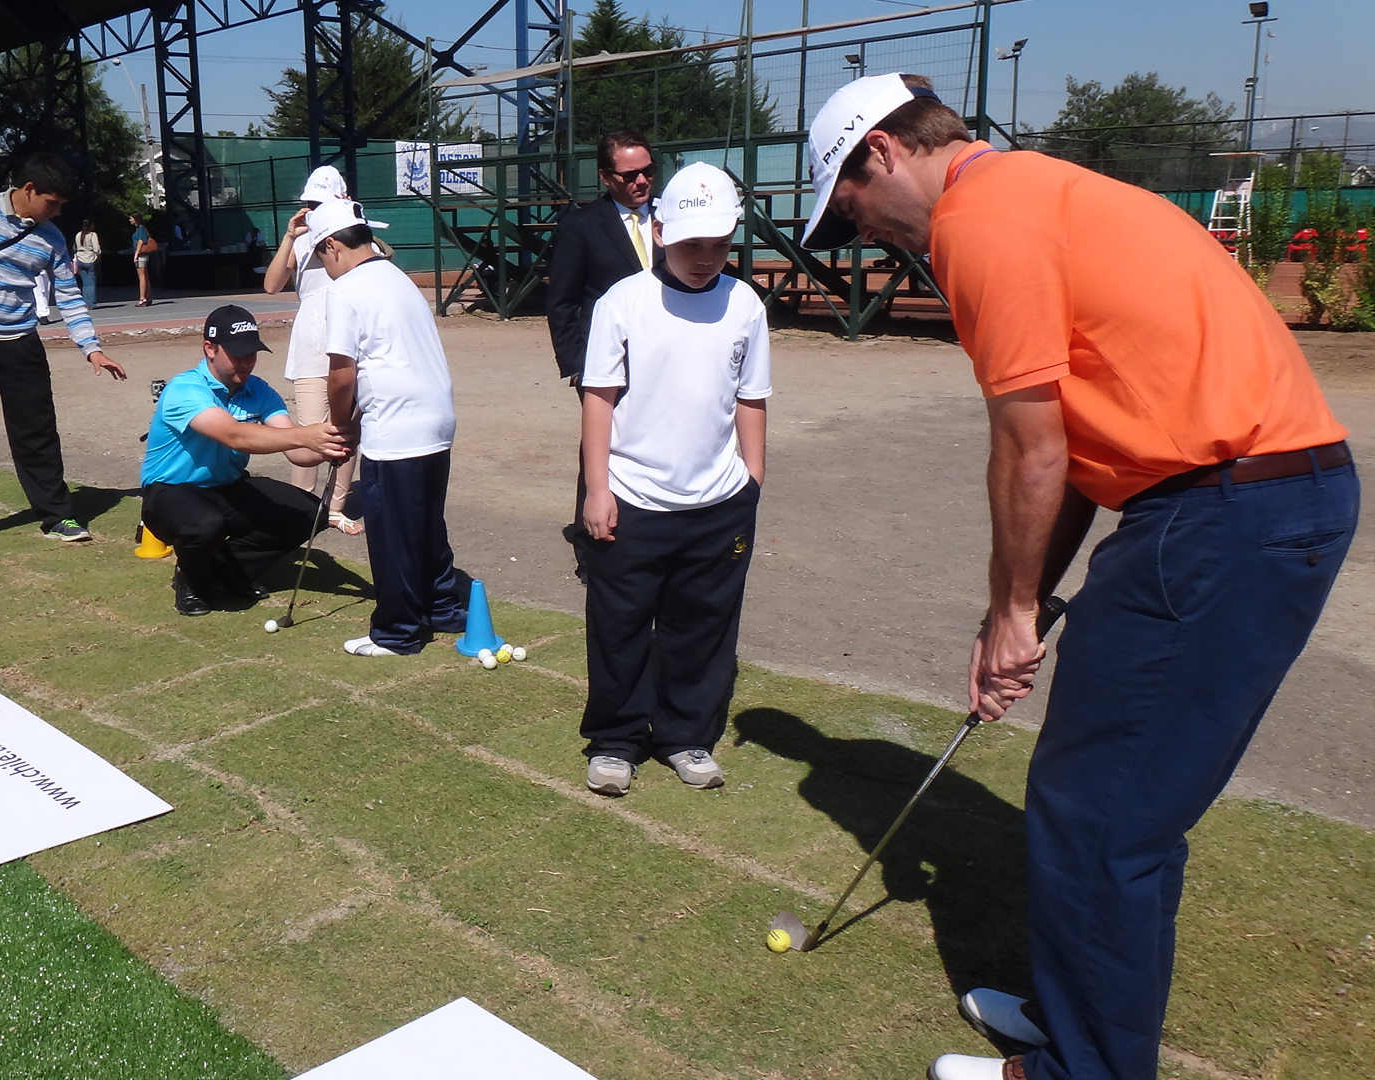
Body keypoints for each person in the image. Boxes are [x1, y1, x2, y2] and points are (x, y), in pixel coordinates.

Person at [801, 74, 1359, 1080]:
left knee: (1098, 806)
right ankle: (1082, 1021)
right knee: (1119, 803)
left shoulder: (979, 223)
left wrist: (1014, 612)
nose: (867, 235)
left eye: (852, 210)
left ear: (880, 154)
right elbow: (1071, 458)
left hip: (1221, 511)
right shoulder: (1038, 190)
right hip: (1247, 501)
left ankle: (1085, 1068)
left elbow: (1031, 452)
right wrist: (1018, 605)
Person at [575, 162, 770, 798]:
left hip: (718, 502)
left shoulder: (744, 303)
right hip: (633, 499)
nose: (706, 258)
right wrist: (598, 490)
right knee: (620, 624)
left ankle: (687, 733)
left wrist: (752, 480)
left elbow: (751, 397)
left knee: (704, 624)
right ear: (659, 231)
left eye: (720, 243)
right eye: (692, 243)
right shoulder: (623, 302)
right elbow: (599, 398)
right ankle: (616, 739)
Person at [0, 151, 127, 553]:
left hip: (21, 343)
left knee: (37, 434)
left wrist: (92, 349)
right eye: (51, 203)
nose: (55, 213)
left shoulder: (51, 237)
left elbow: (69, 297)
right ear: (29, 189)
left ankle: (56, 515)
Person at [319, 200, 468, 657]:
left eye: (319, 258)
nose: (322, 267)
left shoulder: (345, 290)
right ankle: (443, 608)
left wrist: (340, 424)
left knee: (392, 532)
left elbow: (342, 372)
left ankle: (398, 631)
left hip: (397, 424)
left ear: (331, 246)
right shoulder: (397, 276)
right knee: (425, 521)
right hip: (436, 418)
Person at [140, 305, 350, 616]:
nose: (247, 362)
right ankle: (192, 580)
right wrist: (307, 435)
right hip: (170, 491)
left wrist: (331, 442)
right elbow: (234, 436)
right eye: (238, 354)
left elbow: (299, 454)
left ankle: (226, 568)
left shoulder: (259, 390)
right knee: (205, 526)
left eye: (252, 353)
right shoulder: (185, 388)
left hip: (228, 486)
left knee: (310, 512)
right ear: (209, 349)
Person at [546, 129, 659, 578]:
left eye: (649, 171)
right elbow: (563, 302)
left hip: (666, 358)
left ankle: (649, 536)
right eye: (630, 174)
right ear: (606, 177)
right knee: (602, 449)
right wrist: (577, 365)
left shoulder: (668, 218)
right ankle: (594, 546)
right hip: (607, 363)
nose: (642, 181)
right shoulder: (581, 225)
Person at [263, 165, 365, 535]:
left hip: (349, 337)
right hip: (309, 342)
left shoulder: (356, 236)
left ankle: (335, 508)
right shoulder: (304, 239)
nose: (314, 208)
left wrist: (352, 217)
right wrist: (290, 237)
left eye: (321, 202)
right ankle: (301, 505)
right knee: (309, 430)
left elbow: (382, 262)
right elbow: (272, 285)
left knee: (345, 429)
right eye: (310, 202)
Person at [73, 219, 102, 310]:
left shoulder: (78, 235)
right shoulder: (93, 235)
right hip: (90, 258)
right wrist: (98, 255)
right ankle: (92, 303)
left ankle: (85, 302)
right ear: (91, 226)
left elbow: (75, 247)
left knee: (85, 283)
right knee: (91, 282)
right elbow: (96, 248)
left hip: (80, 258)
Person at [128, 213, 153, 307]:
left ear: (136, 219)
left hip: (141, 255)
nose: (130, 220)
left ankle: (142, 298)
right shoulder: (140, 228)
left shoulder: (141, 228)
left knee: (141, 276)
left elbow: (141, 241)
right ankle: (147, 296)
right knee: (145, 275)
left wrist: (136, 254)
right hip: (143, 255)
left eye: (131, 218)